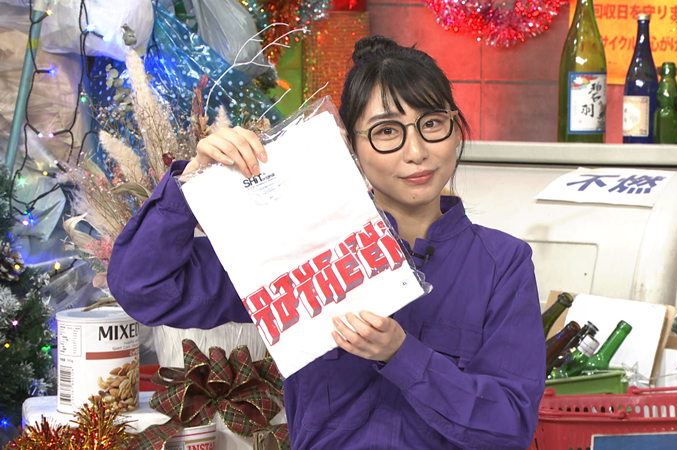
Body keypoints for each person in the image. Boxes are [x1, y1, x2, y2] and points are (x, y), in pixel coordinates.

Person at [108, 35, 545, 449]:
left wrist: (402, 355)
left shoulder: (502, 263)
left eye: (432, 124)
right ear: (351, 147)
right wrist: (192, 181)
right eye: (387, 131)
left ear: (456, 129)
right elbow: (145, 288)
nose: (416, 151)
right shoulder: (299, 241)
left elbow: (509, 426)